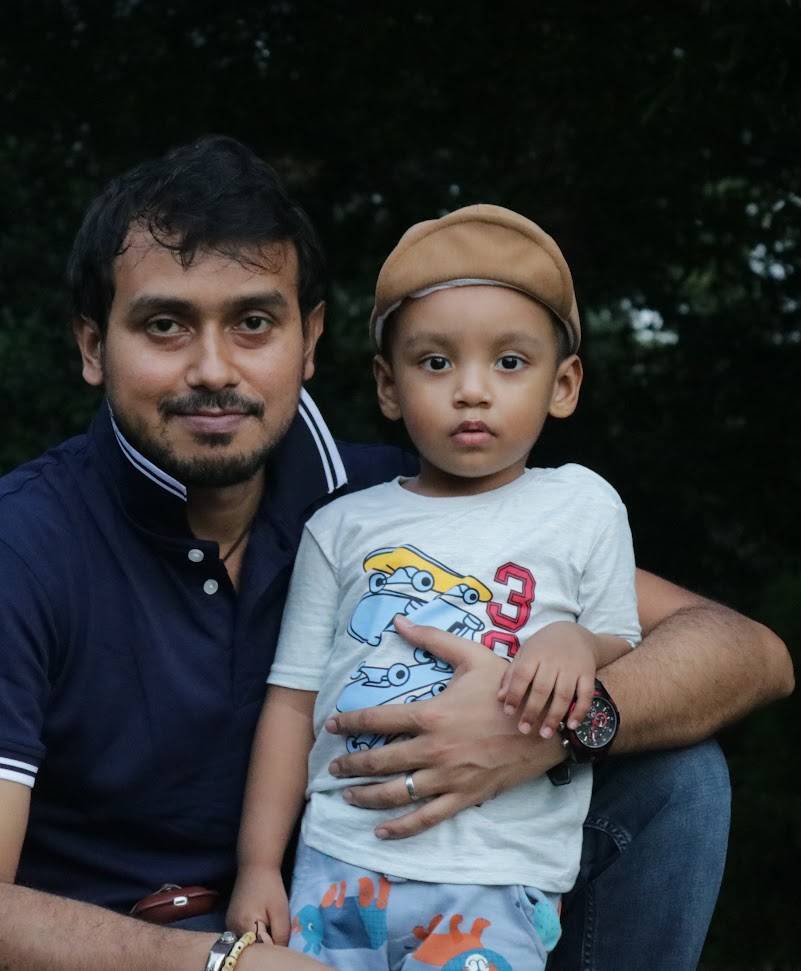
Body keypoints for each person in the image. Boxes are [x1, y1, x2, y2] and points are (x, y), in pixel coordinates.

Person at [0, 136, 794, 971]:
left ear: (311, 341)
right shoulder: (12, 552)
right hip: (163, 950)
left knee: (677, 775)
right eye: (165, 325)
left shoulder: (393, 507)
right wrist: (228, 964)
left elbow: (744, 649)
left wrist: (553, 725)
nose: (214, 368)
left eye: (254, 322)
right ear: (94, 345)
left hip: (409, 907)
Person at [228, 204, 641, 971]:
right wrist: (258, 864)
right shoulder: (341, 526)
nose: (471, 390)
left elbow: (625, 641)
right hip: (341, 866)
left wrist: (576, 640)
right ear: (388, 385)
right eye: (436, 362)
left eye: (509, 362)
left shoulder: (583, 506)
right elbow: (290, 705)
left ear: (564, 383)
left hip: (496, 876)